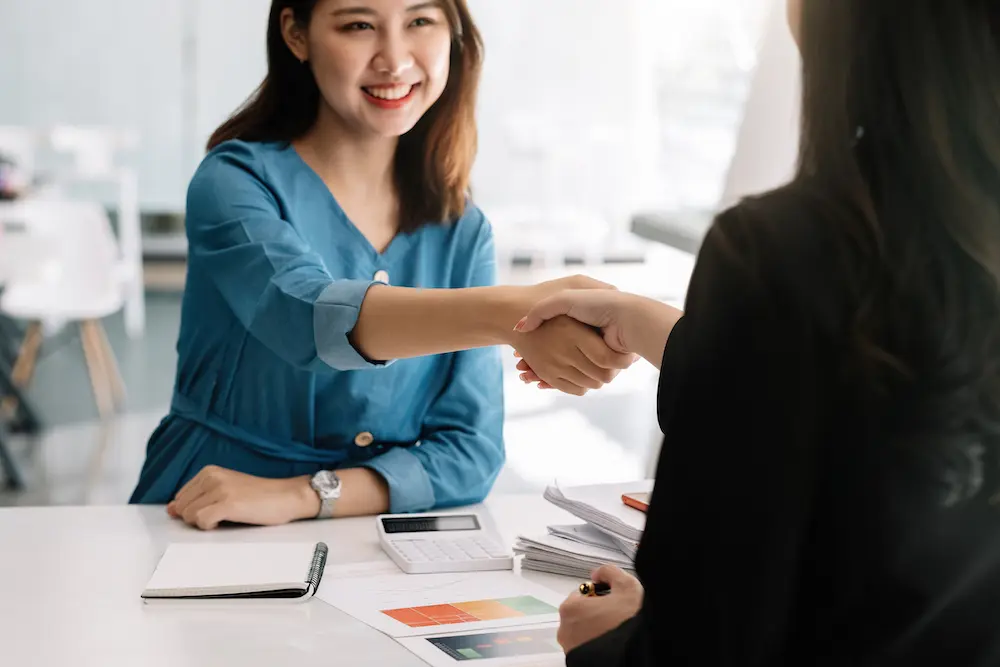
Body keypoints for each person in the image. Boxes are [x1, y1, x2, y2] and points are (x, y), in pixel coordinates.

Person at [515, 0, 1000, 664]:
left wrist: (614, 642)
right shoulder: (955, 236)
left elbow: (708, 631)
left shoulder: (789, 252)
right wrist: (649, 323)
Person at [128, 0, 632, 529]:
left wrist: (307, 495)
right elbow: (308, 318)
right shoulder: (233, 183)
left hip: (366, 537)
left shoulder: (461, 229)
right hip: (204, 516)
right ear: (296, 36)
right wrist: (520, 315)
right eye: (359, 25)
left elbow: (471, 453)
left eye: (419, 21)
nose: (394, 60)